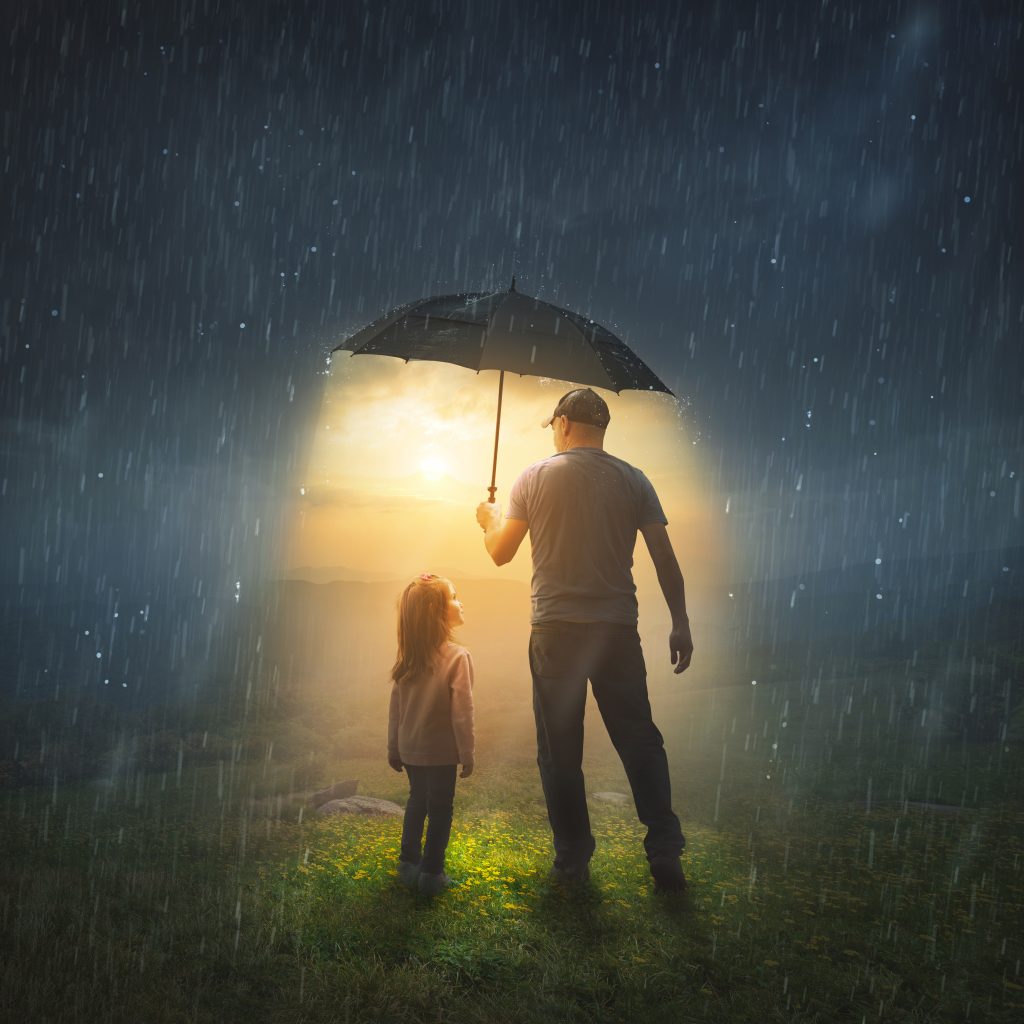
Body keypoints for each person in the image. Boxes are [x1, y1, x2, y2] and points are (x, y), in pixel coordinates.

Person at [475, 387, 692, 892]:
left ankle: (573, 859)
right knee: (639, 739)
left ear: (565, 424)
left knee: (559, 750)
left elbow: (500, 554)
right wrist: (679, 621)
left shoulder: (533, 476)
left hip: (555, 630)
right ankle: (664, 848)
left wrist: (487, 521)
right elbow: (664, 556)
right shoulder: (634, 480)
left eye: (554, 425)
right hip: (616, 628)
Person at [387, 573, 475, 895]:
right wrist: (467, 754)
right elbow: (462, 713)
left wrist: (393, 748)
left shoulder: (408, 659)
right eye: (454, 597)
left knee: (416, 802)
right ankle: (432, 874)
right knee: (440, 809)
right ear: (436, 610)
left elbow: (395, 709)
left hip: (411, 749)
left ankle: (408, 864)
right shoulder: (457, 658)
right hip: (440, 752)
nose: (460, 601)